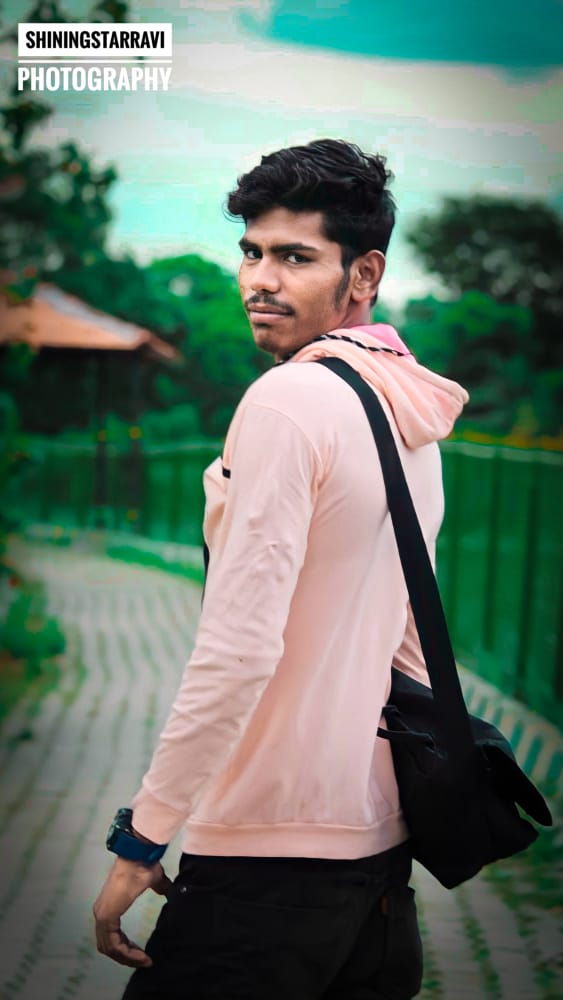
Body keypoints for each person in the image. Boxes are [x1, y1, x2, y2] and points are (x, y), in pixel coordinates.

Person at [93, 138, 468, 999]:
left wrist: (143, 836)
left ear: (363, 274)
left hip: (263, 860)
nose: (260, 280)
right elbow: (408, 640)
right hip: (377, 860)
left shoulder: (287, 401)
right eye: (251, 252)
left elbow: (237, 651)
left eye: (295, 258)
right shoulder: (407, 409)